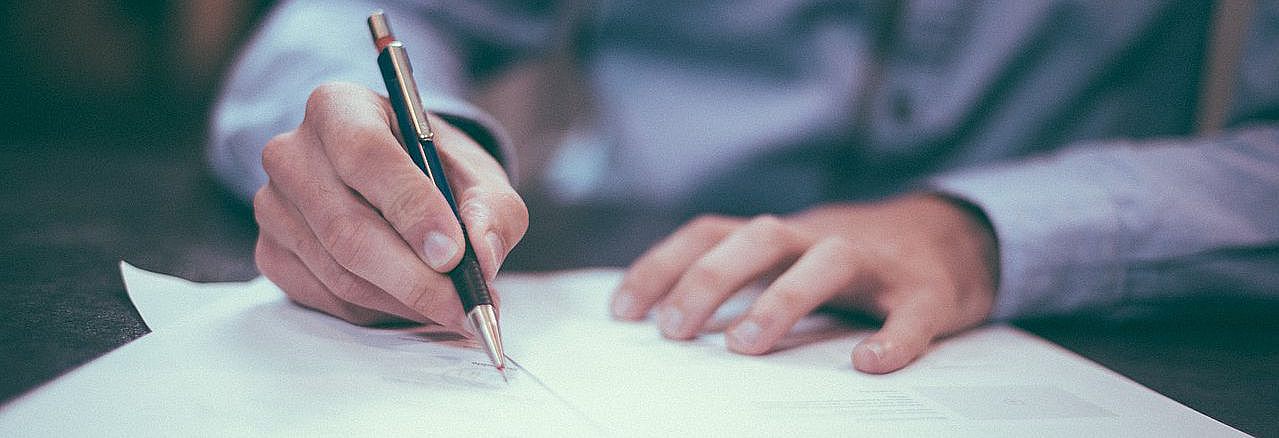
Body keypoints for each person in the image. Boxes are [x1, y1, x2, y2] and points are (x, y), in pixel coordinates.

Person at [209, 0, 1279, 374]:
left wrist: (982, 232)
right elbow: (353, 17)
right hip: (614, 286)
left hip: (1069, 318)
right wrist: (382, 145)